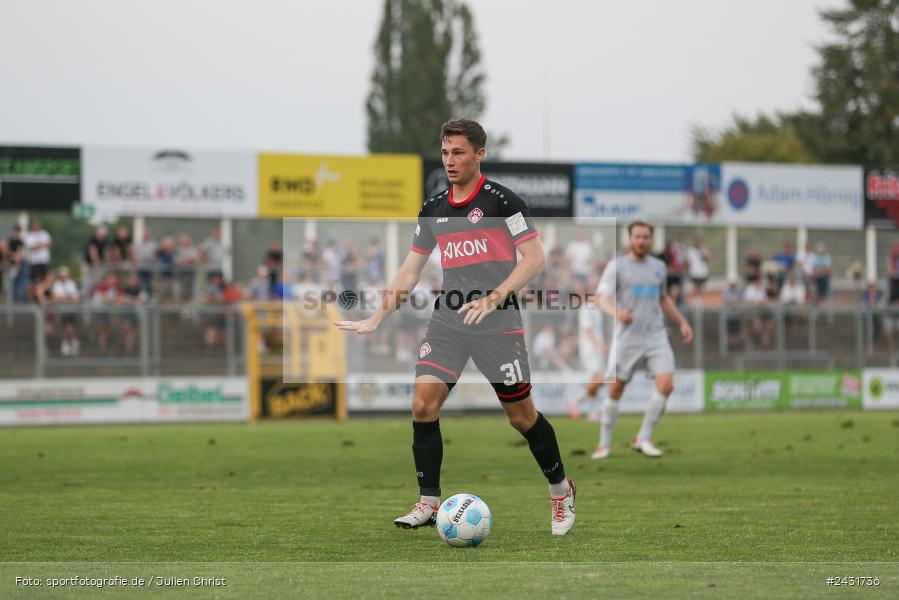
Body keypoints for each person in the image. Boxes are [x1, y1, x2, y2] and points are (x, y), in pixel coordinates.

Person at [335, 118, 576, 535]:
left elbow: (535, 260)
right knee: (422, 405)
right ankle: (429, 501)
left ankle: (560, 490)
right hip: (449, 319)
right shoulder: (433, 210)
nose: (449, 160)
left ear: (479, 154)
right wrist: (376, 318)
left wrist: (495, 296)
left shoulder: (504, 202)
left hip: (497, 323)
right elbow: (410, 271)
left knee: (521, 418)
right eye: (445, 152)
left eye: (458, 152)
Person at [592, 220, 693, 460]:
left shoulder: (658, 267)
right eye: (637, 237)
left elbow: (663, 298)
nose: (641, 241)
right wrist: (618, 313)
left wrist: (682, 322)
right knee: (616, 388)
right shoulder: (617, 266)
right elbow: (601, 298)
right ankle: (604, 444)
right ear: (630, 239)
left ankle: (643, 437)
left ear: (650, 239)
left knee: (667, 385)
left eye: (646, 237)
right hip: (627, 337)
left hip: (656, 335)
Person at [568, 289, 608, 421]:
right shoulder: (587, 308)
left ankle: (593, 412)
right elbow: (588, 329)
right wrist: (598, 344)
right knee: (600, 379)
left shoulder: (595, 310)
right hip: (590, 350)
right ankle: (575, 401)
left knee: (594, 380)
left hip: (595, 349)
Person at [51, 266, 81, 356]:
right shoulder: (56, 284)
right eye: (61, 275)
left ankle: (68, 343)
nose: (63, 277)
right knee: (68, 328)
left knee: (69, 328)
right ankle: (70, 343)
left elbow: (76, 299)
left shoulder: (71, 284)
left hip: (71, 310)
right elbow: (55, 298)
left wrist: (66, 298)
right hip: (61, 310)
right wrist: (67, 298)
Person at [25, 221, 52, 298]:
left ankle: (46, 298)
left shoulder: (45, 234)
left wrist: (37, 245)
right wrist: (42, 244)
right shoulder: (29, 236)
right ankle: (32, 300)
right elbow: (31, 247)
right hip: (34, 262)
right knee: (32, 282)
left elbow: (49, 243)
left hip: (44, 261)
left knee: (46, 280)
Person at [685, 237, 709, 304]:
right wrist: (688, 269)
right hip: (694, 272)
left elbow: (707, 258)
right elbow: (687, 261)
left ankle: (700, 299)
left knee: (701, 287)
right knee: (695, 286)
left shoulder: (704, 249)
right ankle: (695, 299)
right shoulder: (690, 250)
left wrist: (702, 252)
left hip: (703, 272)